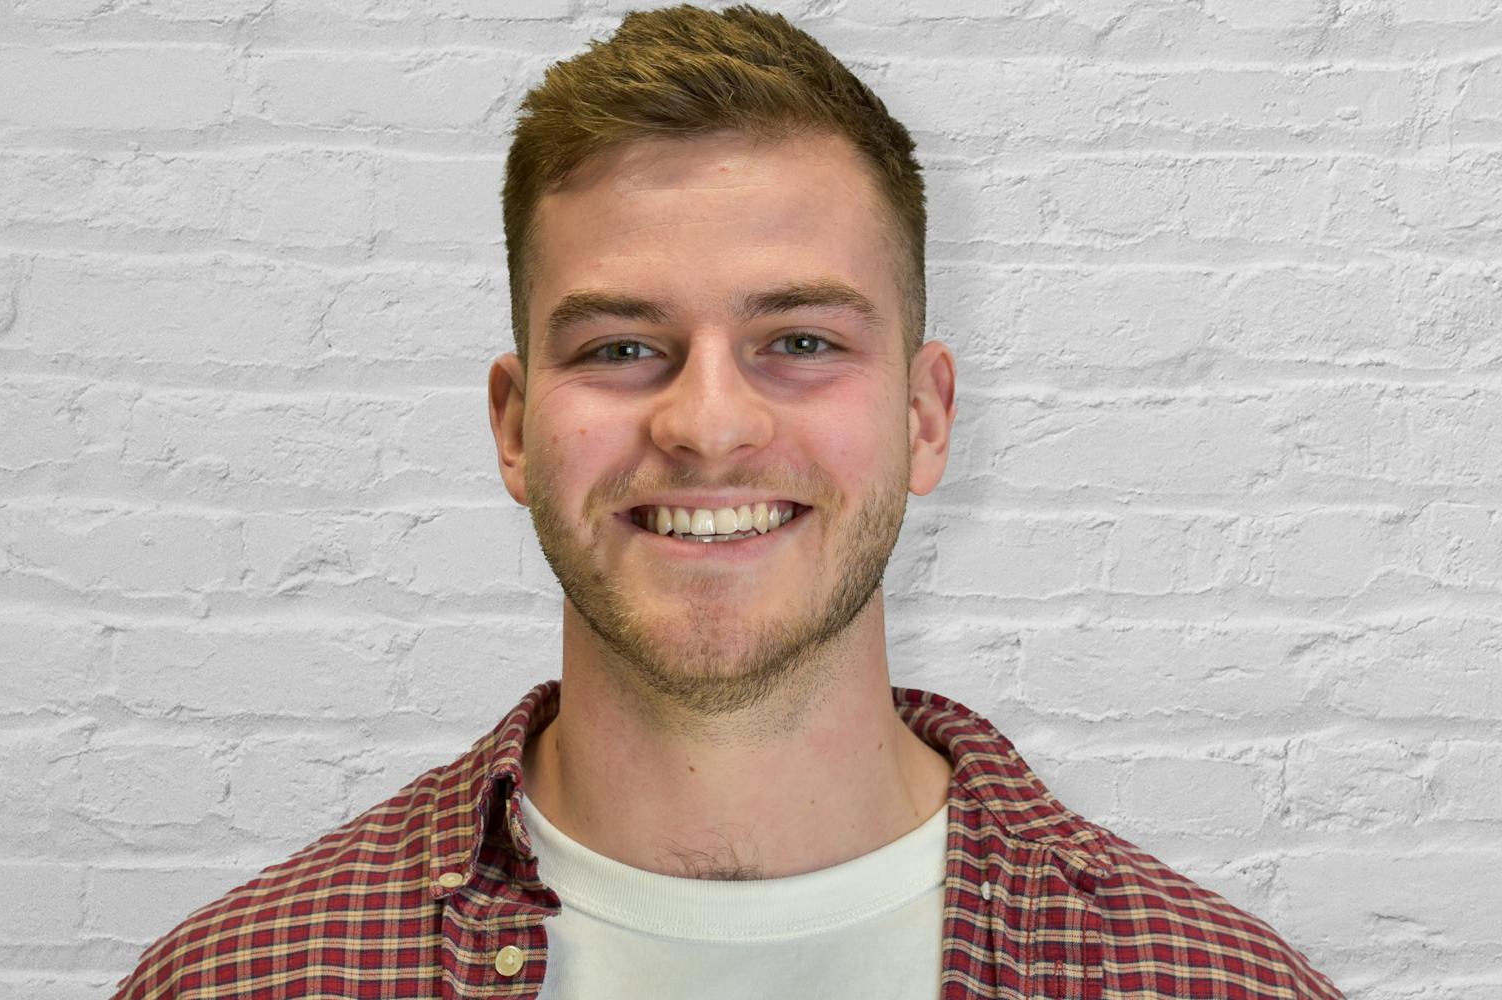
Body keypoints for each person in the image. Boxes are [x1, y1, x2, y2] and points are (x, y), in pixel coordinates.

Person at [111, 6, 1343, 998]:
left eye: (799, 341)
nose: (706, 423)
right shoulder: (240, 980)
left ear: (924, 417)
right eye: (619, 348)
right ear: (513, 426)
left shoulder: (1212, 983)